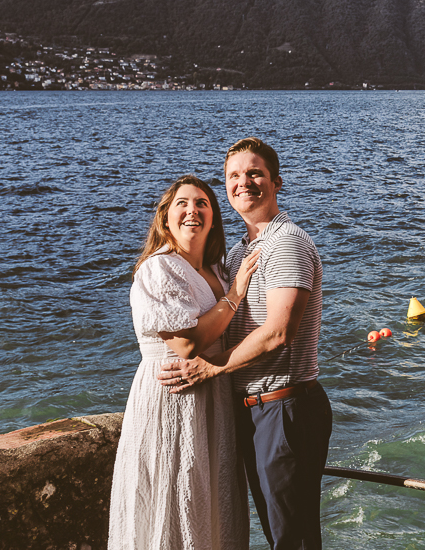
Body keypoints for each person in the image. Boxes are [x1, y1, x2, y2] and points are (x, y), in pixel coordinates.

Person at [160, 138, 332, 550]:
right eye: (233, 176)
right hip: (255, 411)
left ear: (276, 181)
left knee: (293, 539)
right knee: (278, 532)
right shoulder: (239, 253)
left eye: (254, 173)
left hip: (283, 408)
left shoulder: (285, 242)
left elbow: (278, 331)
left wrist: (211, 367)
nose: (244, 182)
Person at [108, 175, 260, 550]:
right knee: (175, 501)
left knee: (212, 508)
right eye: (183, 203)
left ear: (213, 218)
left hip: (215, 399)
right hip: (172, 399)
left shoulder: (219, 271)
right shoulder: (158, 269)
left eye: (202, 204)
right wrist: (237, 294)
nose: (193, 210)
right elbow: (186, 342)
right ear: (165, 218)